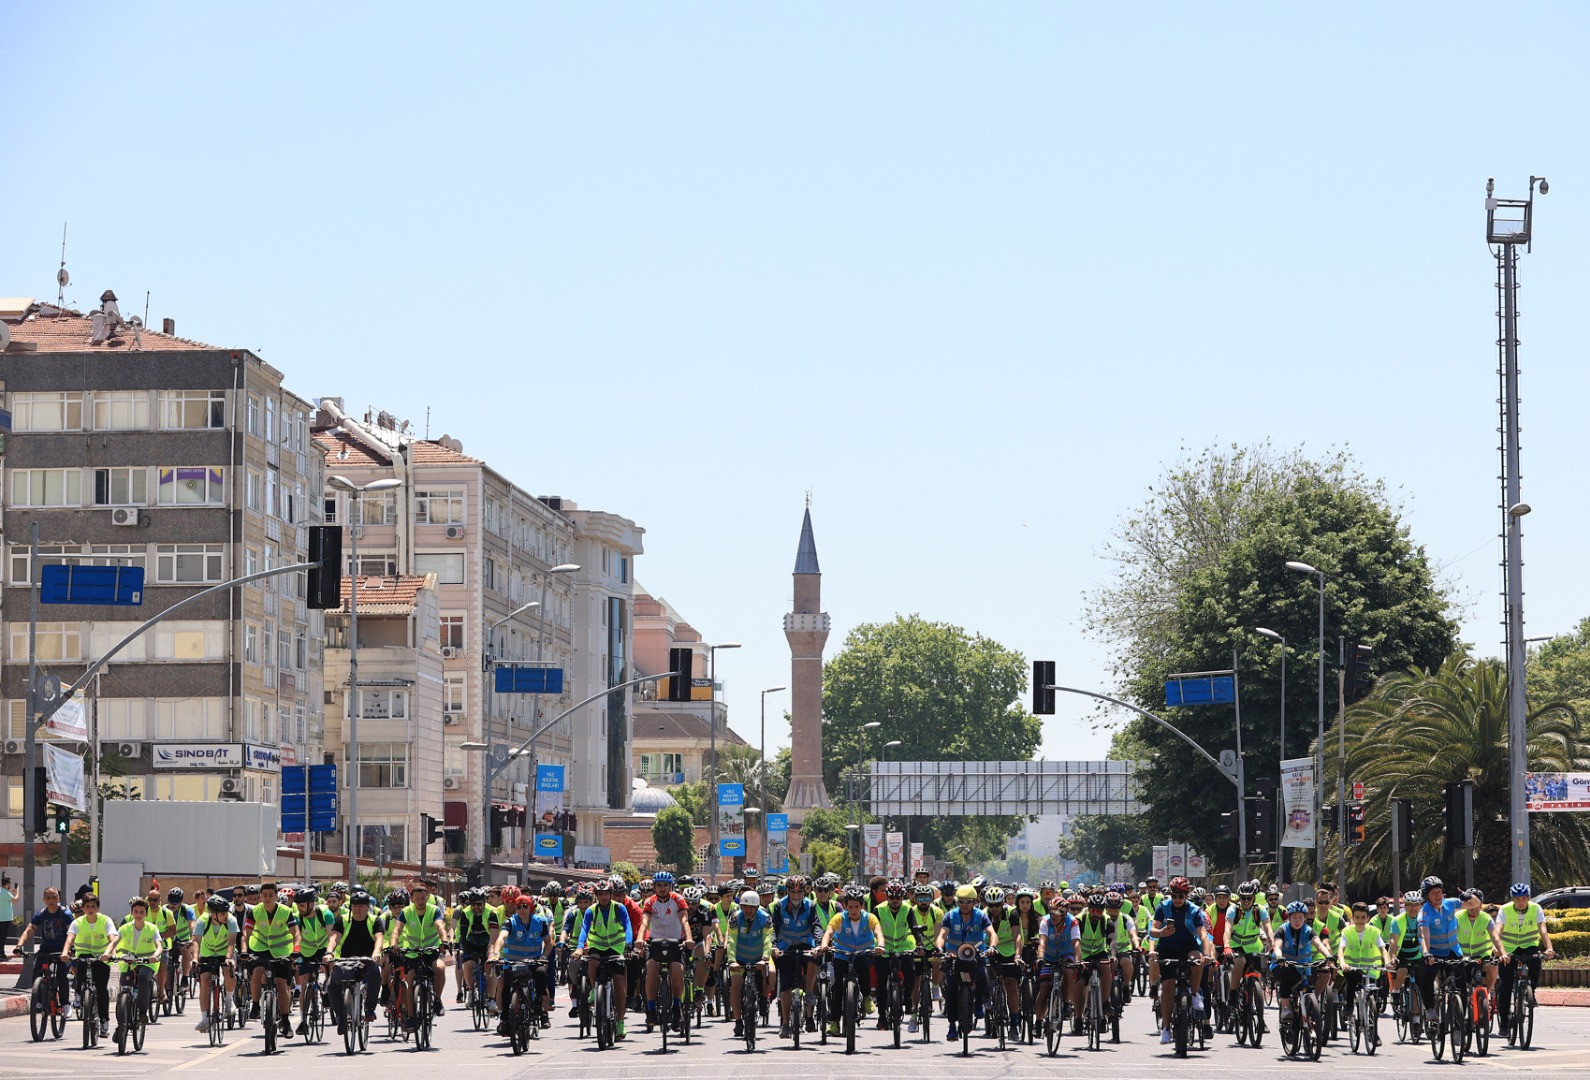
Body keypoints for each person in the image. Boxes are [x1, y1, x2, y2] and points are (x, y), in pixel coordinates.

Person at [1152, 875, 1213, 1045]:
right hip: (1167, 947)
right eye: (1174, 895)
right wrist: (1161, 932)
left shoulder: (1194, 910)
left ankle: (1193, 994)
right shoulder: (1163, 907)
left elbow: (1203, 934)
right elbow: (1153, 931)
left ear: (1186, 896)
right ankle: (1165, 1028)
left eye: (1181, 896)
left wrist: (1207, 954)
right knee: (1168, 986)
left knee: (1198, 960)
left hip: (1188, 945)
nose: (1177, 899)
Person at [818, 884, 883, 1038]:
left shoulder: (869, 918)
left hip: (863, 953)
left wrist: (880, 945)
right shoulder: (839, 918)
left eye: (856, 906)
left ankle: (866, 997)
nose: (853, 910)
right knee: (837, 987)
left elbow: (878, 931)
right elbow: (828, 932)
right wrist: (824, 945)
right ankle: (834, 1022)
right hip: (842, 954)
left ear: (862, 906)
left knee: (863, 969)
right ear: (846, 906)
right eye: (850, 906)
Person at [936, 883, 995, 1042]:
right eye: (961, 901)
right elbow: (942, 935)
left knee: (982, 978)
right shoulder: (950, 916)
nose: (964, 905)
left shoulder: (981, 916)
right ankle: (952, 1026)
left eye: (968, 901)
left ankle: (978, 1004)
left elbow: (991, 933)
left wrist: (992, 946)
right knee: (951, 991)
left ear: (974, 901)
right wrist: (940, 949)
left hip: (976, 955)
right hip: (954, 956)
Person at [575, 879, 634, 1039]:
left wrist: (629, 944)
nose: (603, 897)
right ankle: (595, 990)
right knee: (592, 962)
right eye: (600, 894)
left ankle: (620, 1022)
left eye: (606, 894)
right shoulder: (591, 911)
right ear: (596, 896)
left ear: (611, 894)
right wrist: (580, 947)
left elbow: (628, 926)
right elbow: (584, 929)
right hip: (597, 946)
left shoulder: (619, 908)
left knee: (620, 982)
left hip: (616, 948)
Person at [1497, 882, 1554, 1037]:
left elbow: (1543, 930)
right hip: (1508, 949)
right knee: (1506, 985)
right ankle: (1503, 1024)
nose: (1520, 902)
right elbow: (1498, 931)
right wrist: (1500, 951)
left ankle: (1531, 992)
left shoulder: (1536, 909)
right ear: (1512, 899)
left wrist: (1549, 948)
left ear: (1528, 897)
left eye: (1523, 898)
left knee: (1536, 961)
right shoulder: (1505, 910)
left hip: (1529, 946)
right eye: (1517, 898)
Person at [638, 870, 692, 1034]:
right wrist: (640, 939)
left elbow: (684, 919)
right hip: (655, 942)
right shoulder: (650, 901)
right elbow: (644, 922)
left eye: (665, 885)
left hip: (675, 942)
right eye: (659, 885)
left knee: (677, 970)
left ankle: (676, 1006)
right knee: (651, 970)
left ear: (671, 886)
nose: (662, 888)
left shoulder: (678, 899)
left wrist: (688, 938)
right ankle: (652, 1009)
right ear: (654, 887)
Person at [492, 891, 552, 1036]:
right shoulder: (510, 922)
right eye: (518, 907)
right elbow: (502, 937)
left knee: (541, 975)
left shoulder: (540, 922)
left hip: (534, 961)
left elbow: (549, 943)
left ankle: (541, 1009)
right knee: (505, 987)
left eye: (525, 906)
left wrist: (543, 956)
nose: (521, 909)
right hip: (513, 963)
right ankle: (505, 1018)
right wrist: (496, 953)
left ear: (530, 908)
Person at [325, 889, 384, 1036]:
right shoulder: (342, 920)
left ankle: (370, 1009)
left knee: (375, 975)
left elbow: (379, 939)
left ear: (367, 907)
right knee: (332, 984)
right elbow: (334, 938)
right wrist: (329, 952)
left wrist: (376, 952)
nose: (358, 909)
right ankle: (341, 1016)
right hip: (345, 960)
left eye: (361, 906)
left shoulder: (374, 920)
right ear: (351, 907)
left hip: (367, 960)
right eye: (355, 906)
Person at [392, 879, 449, 1029]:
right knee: (408, 981)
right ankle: (410, 1017)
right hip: (413, 952)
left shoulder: (434, 910)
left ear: (427, 896)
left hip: (432, 950)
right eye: (417, 899)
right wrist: (394, 944)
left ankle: (437, 1000)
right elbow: (397, 930)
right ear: (411, 899)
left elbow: (440, 927)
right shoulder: (406, 912)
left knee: (440, 968)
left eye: (423, 898)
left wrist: (444, 940)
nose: (420, 901)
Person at [770, 873, 820, 1037]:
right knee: (785, 985)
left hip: (805, 943)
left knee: (814, 959)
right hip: (786, 946)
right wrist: (774, 946)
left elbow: (816, 926)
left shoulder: (811, 906)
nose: (796, 896)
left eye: (799, 893)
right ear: (788, 892)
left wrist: (818, 944)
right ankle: (785, 1024)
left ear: (804, 893)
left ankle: (809, 1002)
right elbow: (773, 929)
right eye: (793, 893)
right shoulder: (779, 906)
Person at [62, 891, 117, 1039]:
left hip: (101, 957)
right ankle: (79, 993)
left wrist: (108, 952)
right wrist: (65, 952)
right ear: (83, 908)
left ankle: (104, 1021)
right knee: (80, 971)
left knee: (101, 989)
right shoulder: (77, 922)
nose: (90, 909)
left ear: (98, 908)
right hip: (84, 955)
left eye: (93, 906)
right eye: (87, 906)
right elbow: (69, 939)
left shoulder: (105, 921)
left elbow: (113, 938)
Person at [110, 896, 164, 1042]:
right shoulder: (125, 928)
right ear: (131, 913)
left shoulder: (152, 929)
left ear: (145, 914)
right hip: (128, 962)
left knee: (143, 978)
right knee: (124, 992)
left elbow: (159, 946)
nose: (138, 914)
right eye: (136, 911)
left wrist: (155, 955)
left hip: (147, 962)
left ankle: (142, 1013)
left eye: (141, 912)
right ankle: (120, 1025)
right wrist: (107, 952)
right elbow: (114, 941)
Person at [13, 886, 74, 1012]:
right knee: (37, 973)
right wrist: (19, 946)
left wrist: (69, 950)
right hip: (46, 949)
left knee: (62, 976)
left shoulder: (65, 914)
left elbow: (72, 933)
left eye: (53, 897)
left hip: (62, 950)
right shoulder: (41, 914)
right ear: (44, 900)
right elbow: (29, 930)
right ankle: (39, 1001)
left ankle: (65, 1004)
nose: (51, 900)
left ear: (58, 898)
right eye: (48, 898)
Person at [1335, 901, 1388, 1047]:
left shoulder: (1374, 932)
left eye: (1363, 917)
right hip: (1351, 969)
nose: (1360, 921)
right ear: (1353, 918)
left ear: (1368, 918)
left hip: (1371, 970)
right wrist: (1342, 963)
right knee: (1352, 979)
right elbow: (1341, 949)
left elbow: (1383, 949)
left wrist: (1387, 962)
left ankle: (1373, 1032)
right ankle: (1349, 1006)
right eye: (1357, 917)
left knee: (1373, 1001)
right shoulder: (1347, 931)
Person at [1416, 876, 1463, 1024]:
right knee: (1426, 978)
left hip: (1453, 951)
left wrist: (1468, 896)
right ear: (1427, 897)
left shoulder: (1450, 904)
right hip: (1434, 952)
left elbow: (1474, 903)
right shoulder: (1424, 913)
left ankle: (1459, 1020)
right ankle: (1430, 1009)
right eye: (1433, 893)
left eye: (1439, 891)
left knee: (1462, 986)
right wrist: (1426, 953)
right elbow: (1424, 935)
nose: (1438, 895)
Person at [291, 887, 335, 1035]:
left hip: (323, 948)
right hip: (305, 951)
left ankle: (328, 989)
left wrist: (329, 953)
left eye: (302, 905)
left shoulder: (325, 914)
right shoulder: (297, 917)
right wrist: (295, 954)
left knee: (329, 965)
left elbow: (331, 936)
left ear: (311, 904)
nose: (299, 908)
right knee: (304, 984)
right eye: (298, 905)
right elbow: (295, 936)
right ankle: (303, 1021)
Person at [192, 895, 237, 1033]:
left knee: (229, 970)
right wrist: (195, 958)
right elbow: (196, 942)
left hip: (225, 953)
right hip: (207, 953)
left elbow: (231, 942)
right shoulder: (202, 922)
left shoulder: (231, 920)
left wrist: (229, 958)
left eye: (226, 912)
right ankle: (205, 1019)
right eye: (222, 913)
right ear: (213, 914)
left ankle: (229, 1000)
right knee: (205, 982)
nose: (226, 915)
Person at [454, 889, 502, 1015]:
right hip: (471, 942)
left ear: (484, 903)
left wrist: (491, 952)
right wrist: (462, 949)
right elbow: (463, 935)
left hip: (488, 941)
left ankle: (491, 999)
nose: (476, 907)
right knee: (468, 965)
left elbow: (494, 935)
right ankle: (470, 991)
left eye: (479, 904)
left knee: (489, 967)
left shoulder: (491, 912)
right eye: (473, 904)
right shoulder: (465, 913)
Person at [0, 874, 17, 953]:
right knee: (2, 937)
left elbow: (5, 894)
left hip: (2, 918)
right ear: (8, 884)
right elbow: (15, 900)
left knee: (1, 937)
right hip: (5, 919)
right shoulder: (5, 893)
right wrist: (17, 892)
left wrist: (11, 891)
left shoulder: (2, 891)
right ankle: (1, 954)